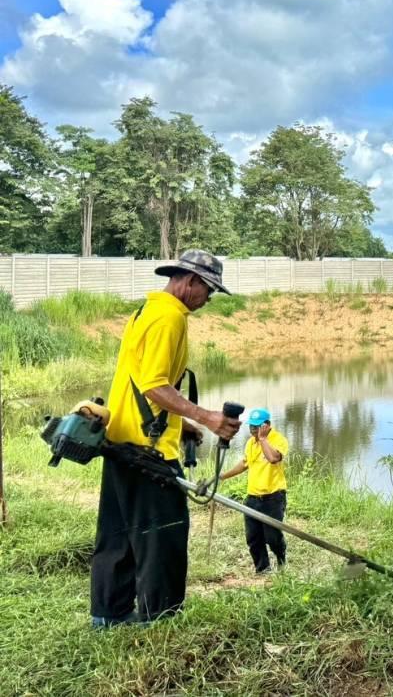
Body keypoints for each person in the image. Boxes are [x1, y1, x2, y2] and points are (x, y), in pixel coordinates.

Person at [91, 249, 242, 628]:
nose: (208, 300)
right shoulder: (170, 317)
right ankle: (161, 619)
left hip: (120, 440)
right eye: (208, 290)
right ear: (189, 281)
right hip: (148, 450)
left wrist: (183, 425)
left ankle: (108, 616)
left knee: (117, 535)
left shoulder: (147, 310)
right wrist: (205, 416)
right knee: (165, 536)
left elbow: (140, 381)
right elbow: (155, 385)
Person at [221, 408, 289, 573]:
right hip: (253, 497)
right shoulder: (251, 443)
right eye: (251, 426)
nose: (253, 430)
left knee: (272, 537)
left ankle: (281, 558)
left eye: (257, 426)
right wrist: (222, 476)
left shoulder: (278, 440)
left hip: (273, 497)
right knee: (253, 537)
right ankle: (263, 568)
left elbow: (273, 458)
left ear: (267, 425)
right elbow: (245, 464)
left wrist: (263, 439)